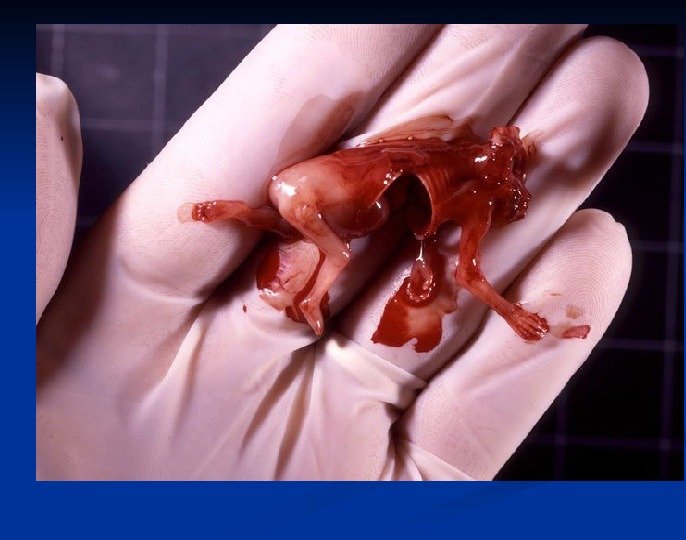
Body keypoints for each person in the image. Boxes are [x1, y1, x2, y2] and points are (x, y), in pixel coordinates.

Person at [35, 24, 648, 480]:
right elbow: (467, 270)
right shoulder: (472, 191)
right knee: (339, 254)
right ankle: (310, 300)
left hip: (302, 190)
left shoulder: (460, 174)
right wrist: (510, 312)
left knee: (300, 225)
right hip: (322, 195)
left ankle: (235, 214)